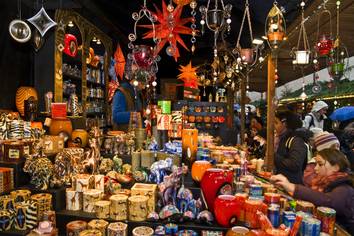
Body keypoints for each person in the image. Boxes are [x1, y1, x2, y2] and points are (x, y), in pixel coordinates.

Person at [271, 149, 354, 234]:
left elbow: (327, 201)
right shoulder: (323, 184)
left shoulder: (345, 189)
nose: (315, 168)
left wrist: (293, 187)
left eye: (320, 164)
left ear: (336, 167)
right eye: (316, 164)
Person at [274, 111, 309, 184]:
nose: (273, 126)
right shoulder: (281, 138)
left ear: (284, 124)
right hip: (281, 182)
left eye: (276, 123)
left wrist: (273, 155)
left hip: (291, 184)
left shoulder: (297, 140)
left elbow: (294, 164)